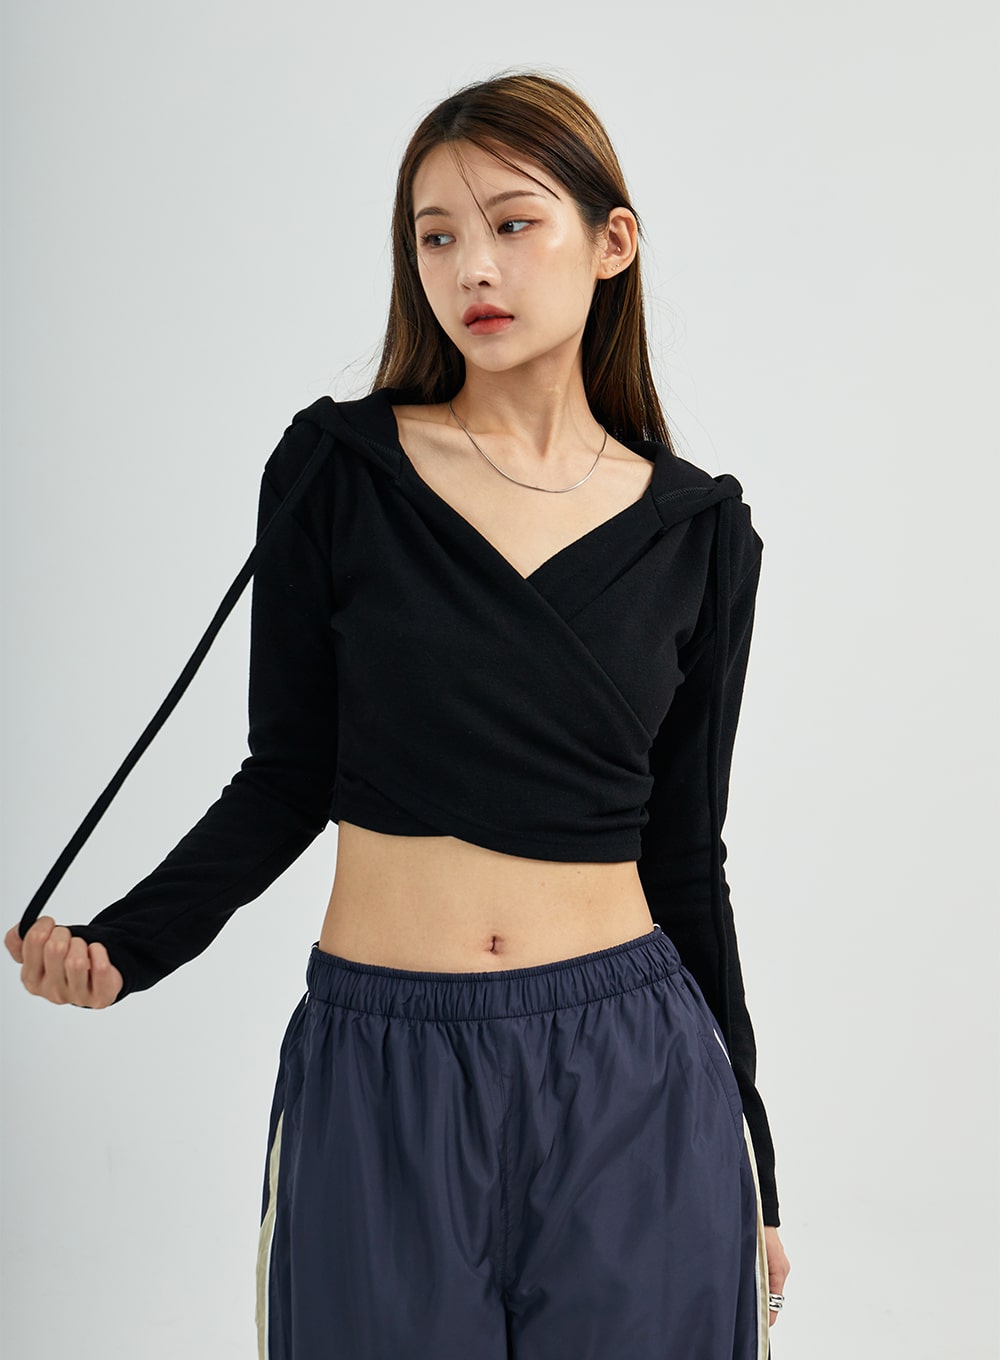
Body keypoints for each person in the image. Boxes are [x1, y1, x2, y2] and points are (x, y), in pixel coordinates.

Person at [7, 70, 791, 1359]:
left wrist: (755, 1151)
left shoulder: (700, 533)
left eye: (512, 223)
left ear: (612, 242)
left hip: (635, 1076)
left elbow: (686, 855)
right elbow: (288, 775)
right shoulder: (340, 470)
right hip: (383, 1067)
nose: (470, 266)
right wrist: (129, 945)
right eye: (435, 236)